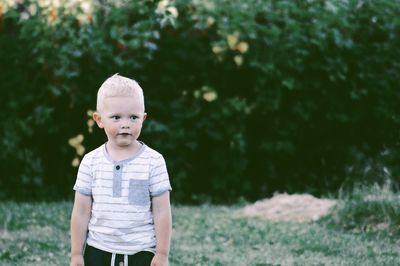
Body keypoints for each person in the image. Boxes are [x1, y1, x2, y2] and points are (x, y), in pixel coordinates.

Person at [70, 74, 172, 266]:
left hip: (141, 251)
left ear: (143, 118)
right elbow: (81, 211)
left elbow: (162, 211)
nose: (125, 123)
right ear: (99, 120)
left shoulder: (154, 161)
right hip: (98, 249)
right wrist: (76, 253)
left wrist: (162, 253)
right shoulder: (90, 162)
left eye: (133, 117)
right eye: (116, 117)